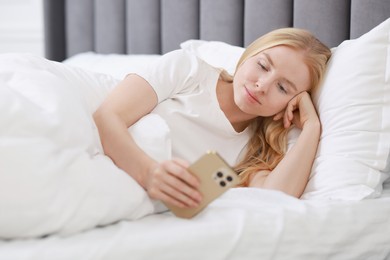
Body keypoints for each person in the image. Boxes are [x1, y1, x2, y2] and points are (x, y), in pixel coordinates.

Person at [93, 28, 331, 210]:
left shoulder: (254, 151)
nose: (262, 85)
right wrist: (148, 173)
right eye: (262, 65)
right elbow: (106, 117)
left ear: (292, 103)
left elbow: (275, 198)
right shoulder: (189, 69)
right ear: (249, 54)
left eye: (282, 88)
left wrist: (312, 127)